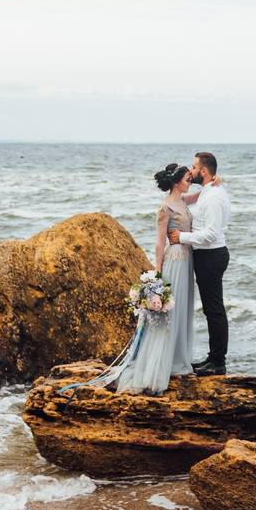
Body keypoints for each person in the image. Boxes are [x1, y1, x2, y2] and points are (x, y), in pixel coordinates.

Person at [111, 163, 197, 394]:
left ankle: (178, 360)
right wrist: (157, 275)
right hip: (175, 261)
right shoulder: (166, 208)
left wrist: (213, 184)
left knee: (182, 311)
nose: (190, 181)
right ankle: (159, 366)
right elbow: (160, 242)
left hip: (187, 261)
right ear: (177, 182)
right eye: (188, 178)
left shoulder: (182, 201)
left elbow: (200, 195)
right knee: (168, 315)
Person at [168, 150, 231, 374]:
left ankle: (218, 363)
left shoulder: (213, 196)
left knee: (214, 310)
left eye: (194, 167)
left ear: (204, 171)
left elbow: (211, 233)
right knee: (211, 309)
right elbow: (181, 200)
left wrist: (180, 238)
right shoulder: (209, 190)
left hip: (211, 255)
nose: (191, 170)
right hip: (207, 255)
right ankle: (213, 358)